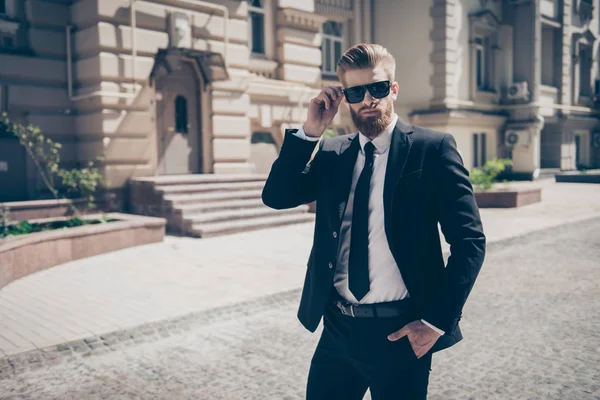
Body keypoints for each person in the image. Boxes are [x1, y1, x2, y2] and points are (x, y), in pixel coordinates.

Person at [261, 43, 486, 399]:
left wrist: (435, 323)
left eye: (378, 88)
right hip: (337, 330)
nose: (368, 99)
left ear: (393, 89)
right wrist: (310, 132)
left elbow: (470, 241)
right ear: (346, 98)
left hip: (400, 334)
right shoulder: (334, 153)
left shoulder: (433, 148)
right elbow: (277, 196)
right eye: (356, 91)